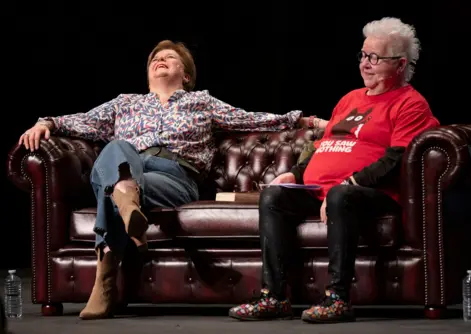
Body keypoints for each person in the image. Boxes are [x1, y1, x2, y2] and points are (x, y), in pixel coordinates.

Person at [18, 40, 327, 320]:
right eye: (155, 57)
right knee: (117, 150)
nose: (160, 59)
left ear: (187, 75)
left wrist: (306, 120)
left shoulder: (202, 103)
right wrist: (44, 123)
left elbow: (251, 117)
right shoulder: (124, 103)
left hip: (174, 177)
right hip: (129, 165)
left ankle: (107, 272)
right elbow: (80, 120)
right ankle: (126, 199)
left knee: (109, 182)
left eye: (169, 57)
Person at [229, 17, 440, 323]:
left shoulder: (410, 104)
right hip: (324, 190)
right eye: (363, 55)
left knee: (342, 196)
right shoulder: (350, 100)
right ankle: (273, 296)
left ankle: (337, 298)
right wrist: (297, 174)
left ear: (399, 65)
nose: (365, 64)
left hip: (371, 193)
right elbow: (324, 146)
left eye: (375, 58)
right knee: (274, 196)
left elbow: (397, 159)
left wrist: (349, 182)